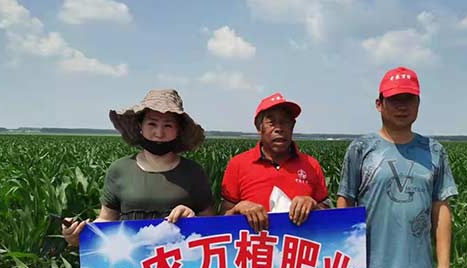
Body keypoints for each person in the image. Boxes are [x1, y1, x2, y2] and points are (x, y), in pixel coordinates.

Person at [336, 67, 458, 268]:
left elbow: (441, 209)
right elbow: (344, 204)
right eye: (394, 100)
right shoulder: (361, 149)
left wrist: (443, 266)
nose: (402, 106)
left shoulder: (433, 151)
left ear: (418, 104)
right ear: (379, 104)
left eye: (409, 99)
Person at [63, 89, 213, 246]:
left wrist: (193, 218)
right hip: (129, 257)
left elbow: (211, 224)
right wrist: (81, 234)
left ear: (179, 130)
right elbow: (106, 219)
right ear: (140, 126)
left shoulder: (194, 172)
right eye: (152, 124)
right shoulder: (119, 169)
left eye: (168, 125)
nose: (159, 133)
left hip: (177, 257)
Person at [220, 92, 330, 232]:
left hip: (300, 244)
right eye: (271, 122)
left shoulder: (311, 165)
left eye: (285, 122)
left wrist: (313, 205)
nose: (279, 129)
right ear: (259, 128)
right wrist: (239, 207)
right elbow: (222, 218)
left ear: (292, 126)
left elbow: (330, 216)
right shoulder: (237, 164)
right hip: (256, 245)